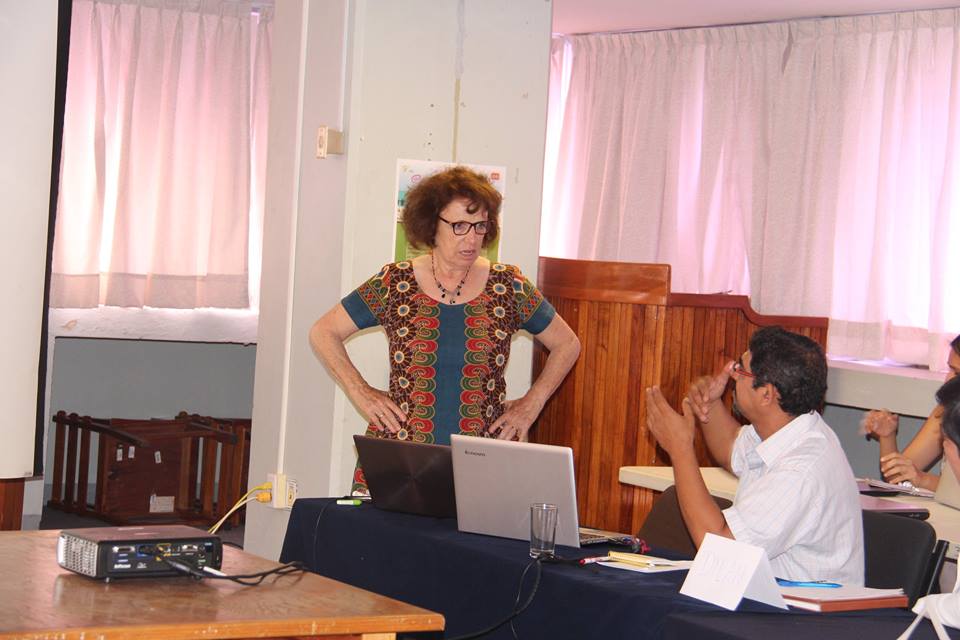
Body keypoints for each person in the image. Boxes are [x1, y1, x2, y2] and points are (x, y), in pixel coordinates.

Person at [309, 166, 580, 492]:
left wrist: (531, 405)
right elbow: (323, 332)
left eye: (481, 225)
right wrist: (360, 392)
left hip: (482, 461)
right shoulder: (395, 282)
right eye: (460, 226)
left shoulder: (509, 286)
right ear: (430, 225)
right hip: (401, 456)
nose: (472, 238)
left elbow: (567, 344)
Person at [645, 326, 864, 585]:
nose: (731, 373)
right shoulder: (791, 428)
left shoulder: (801, 469)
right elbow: (730, 448)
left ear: (767, 394)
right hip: (770, 601)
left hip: (805, 617)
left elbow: (720, 548)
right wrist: (710, 404)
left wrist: (680, 449)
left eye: (740, 369)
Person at [863, 335, 960, 491]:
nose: (948, 379)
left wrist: (923, 480)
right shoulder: (944, 411)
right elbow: (898, 477)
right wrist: (887, 436)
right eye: (949, 369)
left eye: (956, 373)